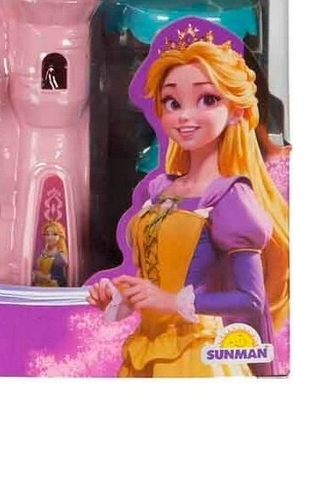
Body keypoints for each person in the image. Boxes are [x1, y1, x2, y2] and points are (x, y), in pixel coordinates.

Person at [87, 24, 289, 376]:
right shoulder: (160, 190)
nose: (184, 115)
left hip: (198, 357)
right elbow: (156, 276)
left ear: (237, 110)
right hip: (147, 350)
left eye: (208, 99)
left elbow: (251, 299)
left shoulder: (230, 197)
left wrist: (170, 301)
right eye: (172, 102)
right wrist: (122, 298)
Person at [31, 221, 68, 287]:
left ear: (60, 236)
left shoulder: (60, 255)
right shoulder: (43, 252)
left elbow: (61, 278)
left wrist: (42, 276)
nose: (50, 237)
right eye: (47, 234)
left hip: (53, 287)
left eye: (54, 234)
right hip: (39, 286)